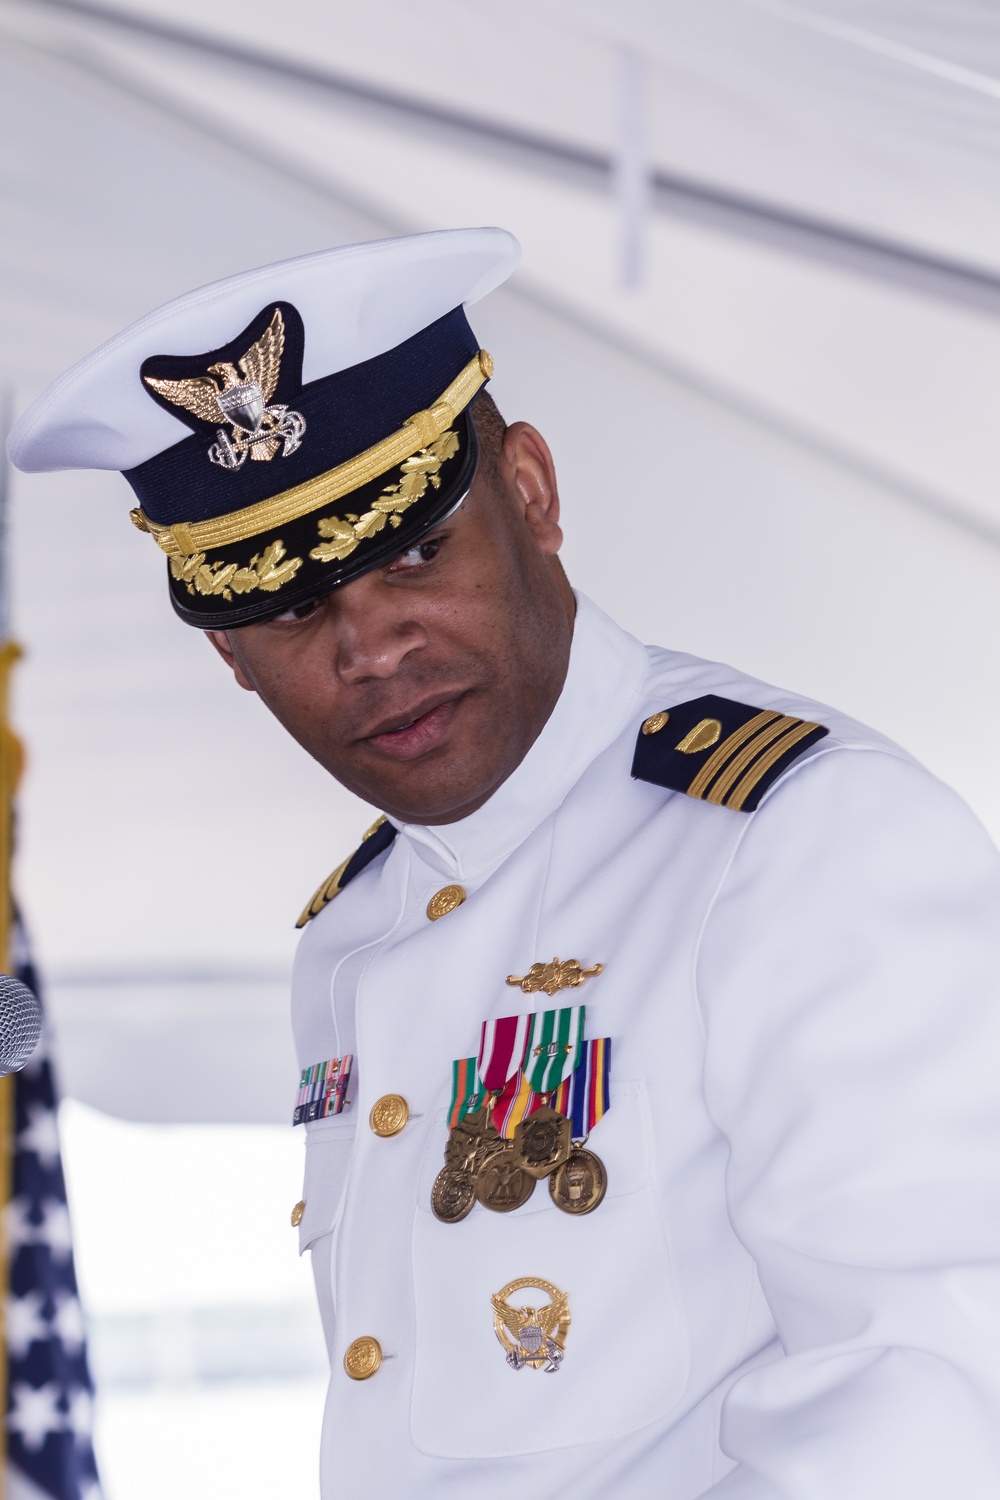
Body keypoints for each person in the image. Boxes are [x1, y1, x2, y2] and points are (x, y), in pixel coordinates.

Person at [10, 229, 1000, 1499]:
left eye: (414, 553)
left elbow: (929, 1411)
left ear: (529, 490)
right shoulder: (350, 933)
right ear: (229, 657)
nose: (371, 648)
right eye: (292, 607)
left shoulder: (796, 837)